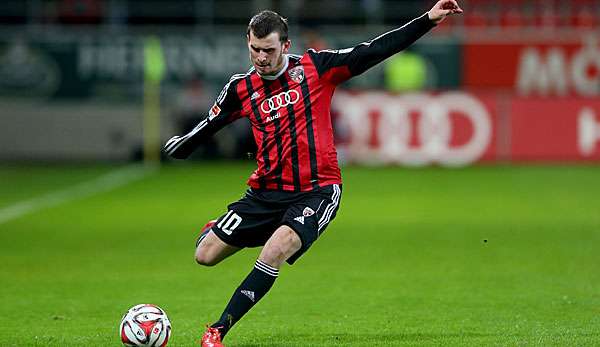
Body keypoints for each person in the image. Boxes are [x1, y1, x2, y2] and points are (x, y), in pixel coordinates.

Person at [163, 1, 462, 346]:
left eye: (269, 50)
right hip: (264, 193)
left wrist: (428, 20)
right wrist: (183, 146)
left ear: (286, 46)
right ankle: (231, 230)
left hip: (317, 190)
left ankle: (217, 330)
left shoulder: (317, 67)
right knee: (205, 255)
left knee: (277, 248)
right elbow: (209, 124)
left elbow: (376, 49)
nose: (261, 57)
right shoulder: (240, 88)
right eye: (254, 49)